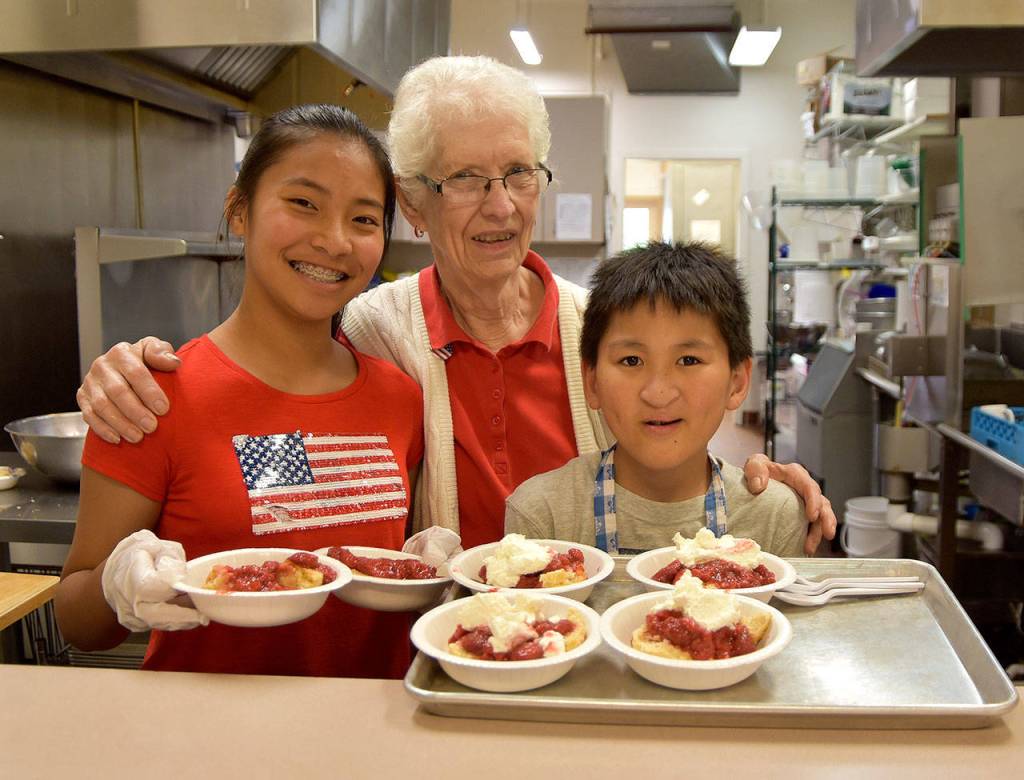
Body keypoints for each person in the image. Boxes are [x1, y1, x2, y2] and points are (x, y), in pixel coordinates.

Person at [74, 55, 835, 554]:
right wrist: (129, 366)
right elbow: (264, 392)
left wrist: (756, 487)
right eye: (465, 178)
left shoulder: (598, 331)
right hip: (432, 658)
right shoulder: (371, 331)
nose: (500, 206)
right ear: (413, 203)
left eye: (518, 172)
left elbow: (669, 443)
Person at [55, 104, 425, 678]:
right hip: (205, 744)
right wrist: (117, 584)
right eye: (304, 203)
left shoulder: (400, 398)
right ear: (240, 209)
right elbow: (78, 624)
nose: (334, 241)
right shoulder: (151, 395)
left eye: (364, 219)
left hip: (366, 737)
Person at [505, 241, 806, 557]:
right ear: (591, 380)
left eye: (689, 360)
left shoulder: (775, 519)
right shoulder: (542, 517)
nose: (658, 393)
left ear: (737, 381)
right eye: (631, 361)